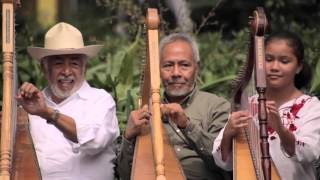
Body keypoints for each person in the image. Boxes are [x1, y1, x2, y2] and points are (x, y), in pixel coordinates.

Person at [117, 33, 230, 180]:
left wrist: (187, 126)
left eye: (184, 65)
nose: (176, 73)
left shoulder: (217, 107)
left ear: (197, 67)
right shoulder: (145, 112)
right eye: (168, 65)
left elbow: (223, 163)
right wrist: (128, 137)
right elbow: (125, 176)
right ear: (157, 70)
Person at [16, 22, 119, 180]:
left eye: (74, 63)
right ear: (44, 68)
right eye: (58, 63)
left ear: (84, 68)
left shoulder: (100, 100)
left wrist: (47, 113)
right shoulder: (28, 110)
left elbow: (95, 142)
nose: (66, 71)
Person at [212, 31, 320, 180]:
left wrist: (280, 129)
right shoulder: (247, 106)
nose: (274, 67)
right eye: (268, 59)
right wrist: (228, 133)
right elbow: (223, 162)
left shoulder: (311, 107)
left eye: (284, 61)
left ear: (299, 66)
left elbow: (310, 154)